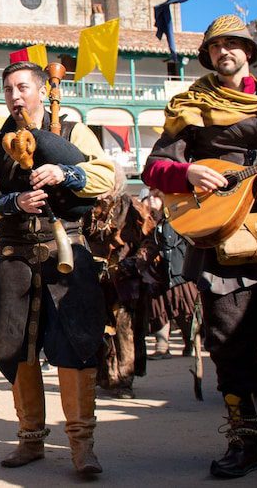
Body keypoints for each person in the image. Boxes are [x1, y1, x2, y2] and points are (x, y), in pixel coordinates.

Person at [142, 14, 257, 478]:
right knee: (227, 343)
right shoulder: (192, 104)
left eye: (234, 44)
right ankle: (243, 439)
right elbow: (155, 166)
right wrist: (187, 173)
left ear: (249, 51)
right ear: (207, 55)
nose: (226, 51)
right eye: (216, 46)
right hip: (220, 237)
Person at [0, 60, 115, 475]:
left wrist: (65, 172)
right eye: (9, 89)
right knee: (16, 347)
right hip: (13, 257)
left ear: (39, 89)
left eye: (23, 88)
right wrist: (11, 202)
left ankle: (82, 446)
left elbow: (105, 176)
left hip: (65, 252)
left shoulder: (72, 129)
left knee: (75, 345)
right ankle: (30, 439)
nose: (16, 96)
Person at [84, 167, 154, 399]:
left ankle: (125, 379)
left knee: (126, 330)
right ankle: (105, 375)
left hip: (124, 279)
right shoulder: (90, 208)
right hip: (96, 280)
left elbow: (150, 239)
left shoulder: (131, 205)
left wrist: (135, 262)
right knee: (99, 329)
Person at [140, 189, 196, 359]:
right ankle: (162, 346)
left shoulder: (179, 217)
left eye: (154, 197)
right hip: (160, 273)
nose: (150, 200)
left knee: (185, 311)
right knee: (159, 310)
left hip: (181, 270)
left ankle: (190, 343)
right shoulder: (148, 220)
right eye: (149, 197)